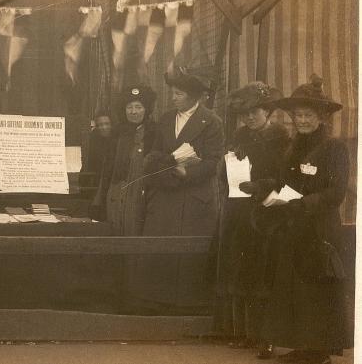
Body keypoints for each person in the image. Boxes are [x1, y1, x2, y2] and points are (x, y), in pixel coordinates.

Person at [252, 75, 350, 364]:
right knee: (294, 289)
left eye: (308, 115)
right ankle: (301, 344)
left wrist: (303, 204)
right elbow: (285, 181)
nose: (302, 121)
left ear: (321, 118)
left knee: (316, 290)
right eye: (298, 116)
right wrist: (263, 186)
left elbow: (336, 192)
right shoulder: (294, 146)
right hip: (294, 228)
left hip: (319, 230)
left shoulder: (334, 148)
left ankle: (319, 351)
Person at [133, 66, 224, 313]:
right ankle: (156, 303)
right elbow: (154, 152)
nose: (173, 98)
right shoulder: (165, 119)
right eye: (173, 93)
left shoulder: (212, 122)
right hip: (165, 193)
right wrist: (161, 163)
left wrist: (188, 172)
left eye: (179, 94)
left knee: (188, 254)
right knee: (159, 247)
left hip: (193, 198)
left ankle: (188, 306)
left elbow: (214, 162)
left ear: (194, 96)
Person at [214, 82, 287, 358]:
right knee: (240, 270)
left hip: (267, 213)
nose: (249, 118)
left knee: (263, 273)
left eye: (254, 112)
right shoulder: (240, 136)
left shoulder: (281, 138)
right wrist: (228, 164)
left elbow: (286, 176)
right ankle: (245, 332)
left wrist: (262, 184)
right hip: (239, 212)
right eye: (244, 114)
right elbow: (223, 174)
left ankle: (266, 336)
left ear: (267, 112)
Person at [105, 85, 157, 236]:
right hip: (116, 193)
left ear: (146, 109)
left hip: (141, 194)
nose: (133, 111)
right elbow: (107, 168)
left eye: (138, 107)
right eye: (129, 107)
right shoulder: (117, 133)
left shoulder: (154, 132)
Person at [80, 110, 116, 220]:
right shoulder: (92, 141)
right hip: (95, 185)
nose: (103, 127)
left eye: (107, 124)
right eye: (100, 125)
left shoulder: (117, 140)